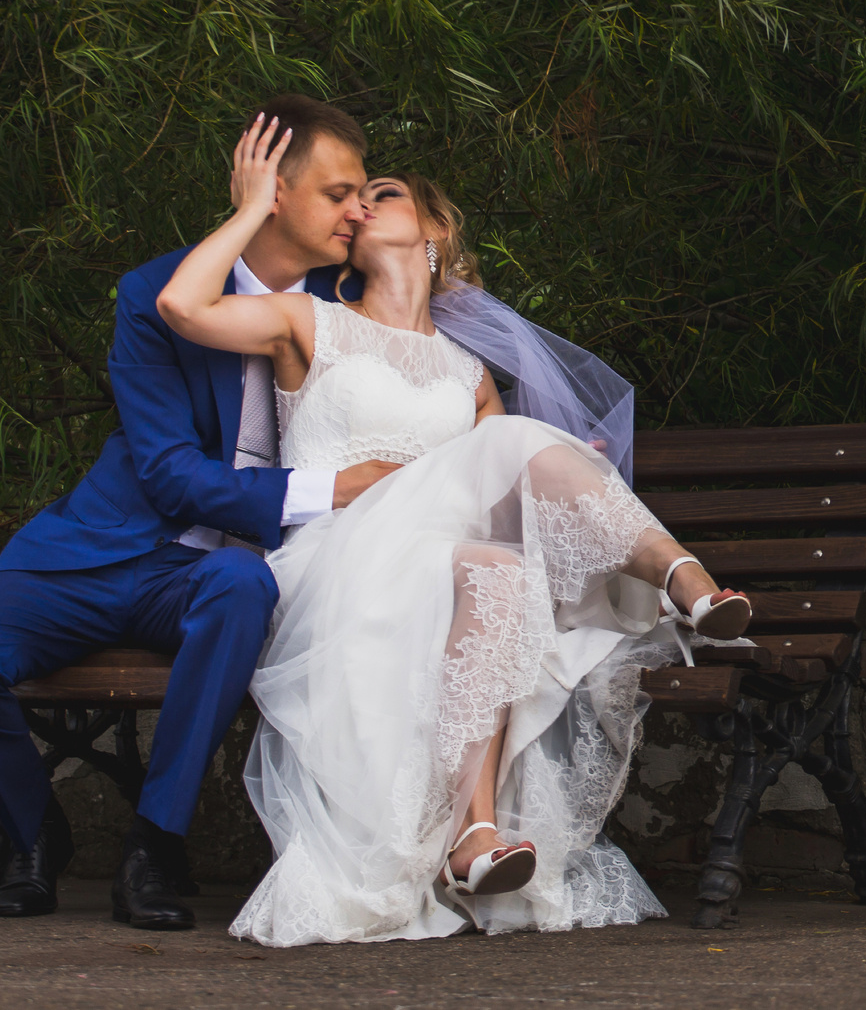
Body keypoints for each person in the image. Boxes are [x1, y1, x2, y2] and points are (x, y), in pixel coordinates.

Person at [155, 115, 750, 945]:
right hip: (339, 561)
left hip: (443, 568)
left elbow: (495, 503)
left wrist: (566, 472)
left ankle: (472, 835)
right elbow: (182, 304)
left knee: (501, 567)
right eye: (351, 195)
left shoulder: (470, 373)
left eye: (382, 193)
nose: (360, 204)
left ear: (434, 232)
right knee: (507, 446)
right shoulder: (307, 321)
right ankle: (678, 578)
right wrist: (256, 205)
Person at [0, 95, 410, 929]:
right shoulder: (157, 294)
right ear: (273, 193)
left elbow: (442, 334)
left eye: (364, 192)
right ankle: (38, 835)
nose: (358, 210)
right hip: (106, 544)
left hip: (213, 573)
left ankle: (152, 841)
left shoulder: (351, 297)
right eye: (338, 193)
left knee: (240, 585)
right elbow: (173, 476)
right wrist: (337, 486)